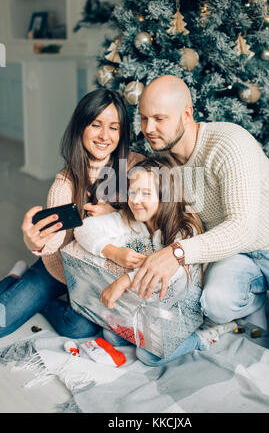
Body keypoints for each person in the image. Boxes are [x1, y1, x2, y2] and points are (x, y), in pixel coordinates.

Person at [128, 74, 269, 374]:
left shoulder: (228, 144)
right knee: (216, 303)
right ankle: (257, 299)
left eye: (159, 118)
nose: (148, 129)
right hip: (237, 254)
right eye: (143, 118)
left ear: (186, 114)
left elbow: (242, 228)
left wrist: (177, 253)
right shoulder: (166, 162)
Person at [0, 88, 143, 338]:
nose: (104, 135)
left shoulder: (135, 167)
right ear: (81, 127)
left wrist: (116, 215)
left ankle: (37, 299)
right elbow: (55, 241)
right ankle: (17, 278)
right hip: (60, 268)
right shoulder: (64, 183)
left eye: (114, 127)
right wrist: (36, 242)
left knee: (79, 328)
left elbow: (154, 216)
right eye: (96, 124)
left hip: (101, 273)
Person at [73, 155, 235, 366]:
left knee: (149, 355)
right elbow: (83, 229)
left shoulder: (186, 229)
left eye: (146, 193)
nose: (135, 200)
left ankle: (205, 335)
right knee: (110, 334)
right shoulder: (132, 218)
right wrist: (113, 252)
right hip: (151, 303)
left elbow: (172, 273)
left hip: (184, 306)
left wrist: (125, 281)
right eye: (132, 192)